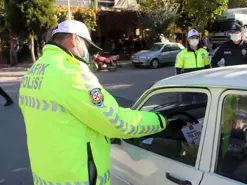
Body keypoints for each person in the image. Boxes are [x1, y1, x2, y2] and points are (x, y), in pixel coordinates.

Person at [19, 20, 168, 184]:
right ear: (75, 39)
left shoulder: (35, 70)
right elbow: (116, 121)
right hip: (77, 177)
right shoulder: (72, 73)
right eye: (86, 46)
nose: (87, 52)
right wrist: (159, 120)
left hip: (47, 176)